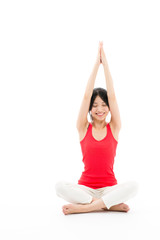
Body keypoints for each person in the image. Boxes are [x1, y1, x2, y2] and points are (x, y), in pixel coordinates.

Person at [55, 41, 139, 215]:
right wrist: (96, 64)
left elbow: (113, 96)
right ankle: (108, 205)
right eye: (95, 105)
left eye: (103, 105)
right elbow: (86, 95)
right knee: (59, 187)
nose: (99, 109)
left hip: (110, 188)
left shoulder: (114, 128)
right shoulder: (83, 128)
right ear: (90, 109)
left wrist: (105, 63)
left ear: (108, 107)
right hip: (85, 189)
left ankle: (86, 208)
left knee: (134, 186)